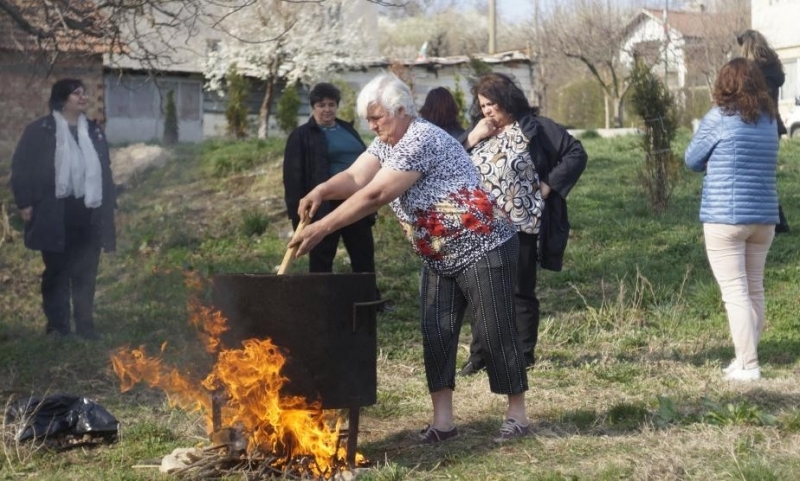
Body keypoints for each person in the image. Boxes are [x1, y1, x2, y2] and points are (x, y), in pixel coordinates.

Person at [289, 73, 530, 443]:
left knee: (495, 329)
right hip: (438, 254)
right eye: (368, 119)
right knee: (436, 332)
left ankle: (517, 415)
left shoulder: (421, 139)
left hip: (484, 244)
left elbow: (376, 195)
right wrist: (321, 190)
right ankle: (443, 423)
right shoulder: (386, 142)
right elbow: (356, 177)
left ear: (400, 110)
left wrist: (323, 227)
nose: (372, 126)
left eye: (377, 118)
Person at [459, 73, 587, 376]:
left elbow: (576, 153)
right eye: (482, 105)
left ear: (507, 99)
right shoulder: (479, 131)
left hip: (521, 224)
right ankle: (480, 356)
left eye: (492, 103)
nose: (487, 110)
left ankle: (523, 355)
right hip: (482, 226)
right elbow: (450, 161)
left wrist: (549, 185)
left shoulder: (535, 127)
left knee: (519, 291)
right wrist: (473, 137)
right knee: (481, 291)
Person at [685, 58, 779, 381]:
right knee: (754, 289)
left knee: (735, 292)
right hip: (764, 217)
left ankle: (749, 365)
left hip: (725, 217)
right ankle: (743, 358)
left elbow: (691, 159)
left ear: (723, 84)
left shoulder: (719, 117)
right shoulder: (769, 120)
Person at [11, 78, 117, 340]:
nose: (83, 97)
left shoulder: (93, 131)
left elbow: (104, 170)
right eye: (76, 93)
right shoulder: (41, 130)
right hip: (54, 212)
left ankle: (85, 327)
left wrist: (109, 204)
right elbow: (21, 166)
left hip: (88, 212)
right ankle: (58, 327)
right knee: (57, 271)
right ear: (62, 99)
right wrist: (25, 202)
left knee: (86, 272)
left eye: (84, 93)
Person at [283, 82, 376, 276]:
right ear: (313, 107)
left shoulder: (347, 129)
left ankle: (367, 294)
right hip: (323, 206)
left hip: (355, 201)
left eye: (331, 104)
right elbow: (292, 178)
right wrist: (297, 215)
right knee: (322, 258)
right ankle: (320, 295)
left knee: (363, 254)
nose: (327, 109)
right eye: (321, 105)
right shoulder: (301, 136)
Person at [738, 29, 789, 233]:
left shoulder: (757, 74)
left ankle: (777, 221)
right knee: (765, 175)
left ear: (748, 47)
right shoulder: (773, 69)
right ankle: (775, 220)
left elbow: (758, 103)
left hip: (759, 126)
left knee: (758, 176)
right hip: (772, 127)